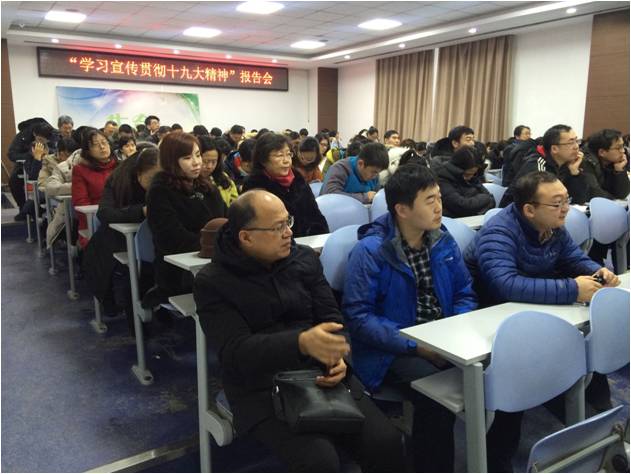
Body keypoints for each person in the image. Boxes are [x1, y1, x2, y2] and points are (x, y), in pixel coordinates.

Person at [193, 190, 405, 473]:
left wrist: (338, 358)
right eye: (277, 227)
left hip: (320, 373)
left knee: (386, 442)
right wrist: (300, 342)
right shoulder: (213, 282)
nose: (289, 233)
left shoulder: (303, 258)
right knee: (319, 461)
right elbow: (235, 353)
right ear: (246, 237)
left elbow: (331, 318)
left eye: (288, 222)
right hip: (260, 387)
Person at [343, 164, 523, 472]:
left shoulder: (442, 239)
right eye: (430, 200)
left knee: (510, 375)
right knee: (436, 401)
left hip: (448, 339)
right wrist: (419, 346)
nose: (440, 206)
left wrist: (454, 331)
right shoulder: (371, 251)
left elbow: (464, 292)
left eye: (439, 197)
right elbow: (359, 318)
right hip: (393, 349)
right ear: (402, 209)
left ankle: (497, 462)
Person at [466, 171, 620, 307]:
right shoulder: (497, 234)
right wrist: (572, 289)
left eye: (567, 200)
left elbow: (573, 258)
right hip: (495, 310)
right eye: (557, 203)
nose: (566, 208)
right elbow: (506, 286)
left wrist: (597, 271)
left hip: (533, 303)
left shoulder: (551, 225)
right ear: (530, 210)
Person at [83, 147, 161, 330]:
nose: (156, 185)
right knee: (134, 269)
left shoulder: (167, 181)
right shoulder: (118, 181)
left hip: (152, 238)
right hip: (117, 238)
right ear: (139, 173)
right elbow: (105, 213)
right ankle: (136, 322)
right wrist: (140, 211)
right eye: (151, 179)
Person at [146, 132, 227, 299]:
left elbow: (226, 220)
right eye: (187, 158)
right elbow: (173, 240)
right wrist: (216, 246)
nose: (197, 162)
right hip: (179, 270)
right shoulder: (160, 191)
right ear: (171, 161)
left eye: (197, 155)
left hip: (213, 259)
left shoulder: (206, 186)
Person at [242, 132, 328, 237]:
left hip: (307, 241)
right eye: (279, 155)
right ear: (263, 160)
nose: (286, 161)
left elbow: (315, 215)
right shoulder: (254, 185)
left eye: (288, 154)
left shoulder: (297, 179)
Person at [500, 124, 588, 206]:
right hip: (516, 214)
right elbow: (541, 206)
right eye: (571, 143)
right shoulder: (537, 168)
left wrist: (574, 172)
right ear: (554, 149)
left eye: (577, 141)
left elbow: (579, 200)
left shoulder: (566, 164)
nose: (576, 146)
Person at [583, 129, 630, 266]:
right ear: (602, 152)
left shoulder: (610, 163)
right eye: (618, 147)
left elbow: (622, 193)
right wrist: (613, 198)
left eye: (623, 146)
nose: (623, 151)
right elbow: (594, 193)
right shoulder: (586, 162)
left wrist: (619, 170)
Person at [71, 129, 118, 249]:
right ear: (88, 151)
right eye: (96, 145)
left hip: (121, 218)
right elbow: (81, 203)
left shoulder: (120, 166)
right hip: (95, 222)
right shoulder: (80, 170)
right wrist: (98, 221)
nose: (102, 147)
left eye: (104, 142)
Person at [8, 118, 55, 220]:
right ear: (34, 134)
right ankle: (24, 208)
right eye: (39, 139)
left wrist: (47, 154)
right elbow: (12, 154)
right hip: (30, 166)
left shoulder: (52, 135)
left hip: (51, 175)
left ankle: (35, 209)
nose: (41, 143)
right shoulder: (23, 137)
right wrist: (35, 157)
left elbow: (58, 153)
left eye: (44, 140)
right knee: (14, 181)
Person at [436, 146, 495, 217]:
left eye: (473, 174)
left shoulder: (473, 177)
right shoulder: (442, 177)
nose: (470, 177)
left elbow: (492, 200)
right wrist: (485, 199)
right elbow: (461, 206)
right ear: (457, 169)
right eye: (467, 174)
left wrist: (475, 208)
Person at [321, 142, 388, 204]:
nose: (375, 176)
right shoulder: (340, 169)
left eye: (378, 173)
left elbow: (376, 196)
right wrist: (364, 197)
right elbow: (330, 196)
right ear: (361, 164)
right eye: (374, 172)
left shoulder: (374, 174)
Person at [198, 136, 239, 207]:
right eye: (205, 161)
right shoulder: (188, 183)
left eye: (214, 162)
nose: (209, 166)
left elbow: (235, 203)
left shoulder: (224, 178)